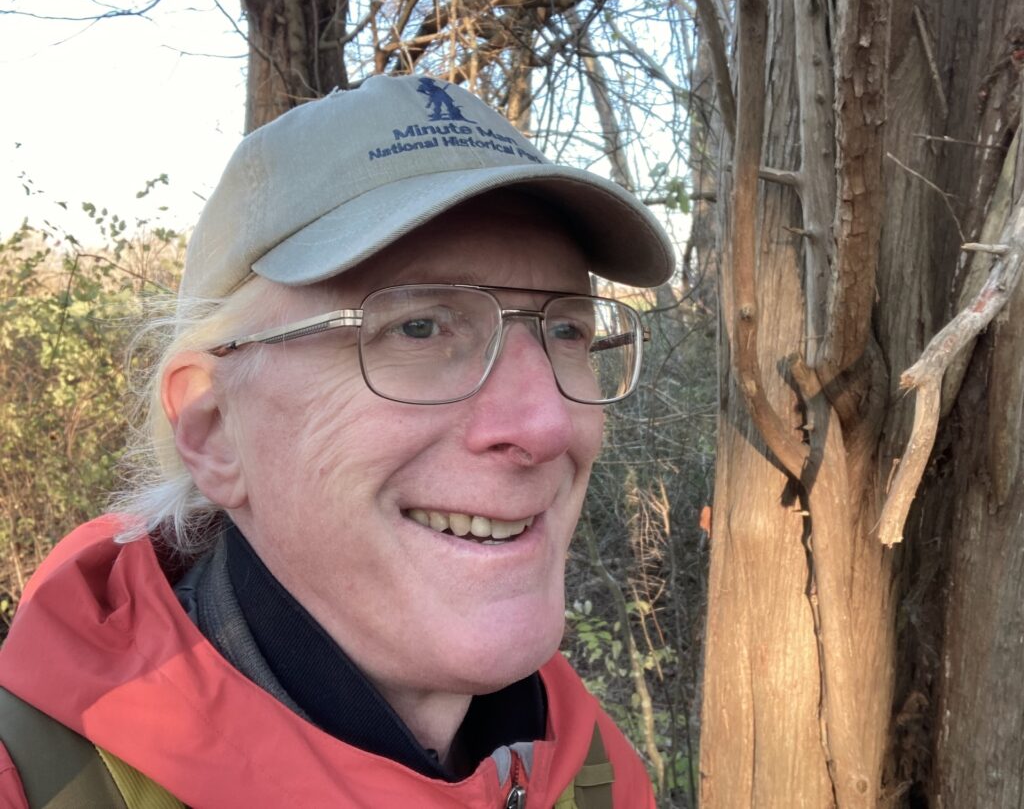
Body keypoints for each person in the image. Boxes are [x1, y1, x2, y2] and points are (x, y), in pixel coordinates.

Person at [0, 74, 674, 808]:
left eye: (567, 330)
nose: (544, 424)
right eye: (418, 327)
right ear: (214, 430)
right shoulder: (34, 778)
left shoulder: (592, 772)